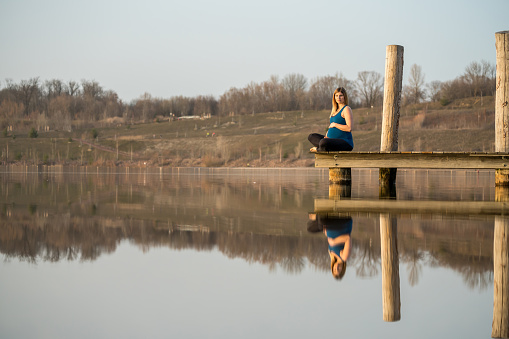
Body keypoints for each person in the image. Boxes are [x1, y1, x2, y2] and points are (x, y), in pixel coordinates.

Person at [307, 213, 353, 279]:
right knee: (322, 220)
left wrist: (326, 233)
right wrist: (334, 242)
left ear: (332, 268)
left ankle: (320, 219)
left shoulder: (332, 256)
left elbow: (331, 238)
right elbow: (347, 238)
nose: (336, 268)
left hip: (331, 226)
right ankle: (317, 217)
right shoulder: (344, 257)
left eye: (334, 270)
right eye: (339, 270)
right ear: (342, 269)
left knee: (310, 228)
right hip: (343, 223)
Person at [308, 87, 354, 152]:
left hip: (345, 142)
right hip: (331, 140)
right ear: (334, 97)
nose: (338, 98)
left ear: (344, 97)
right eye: (336, 96)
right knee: (311, 136)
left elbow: (349, 128)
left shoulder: (346, 109)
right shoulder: (335, 110)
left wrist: (335, 125)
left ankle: (319, 149)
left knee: (324, 142)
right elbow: (331, 127)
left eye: (341, 95)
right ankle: (323, 147)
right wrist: (327, 134)